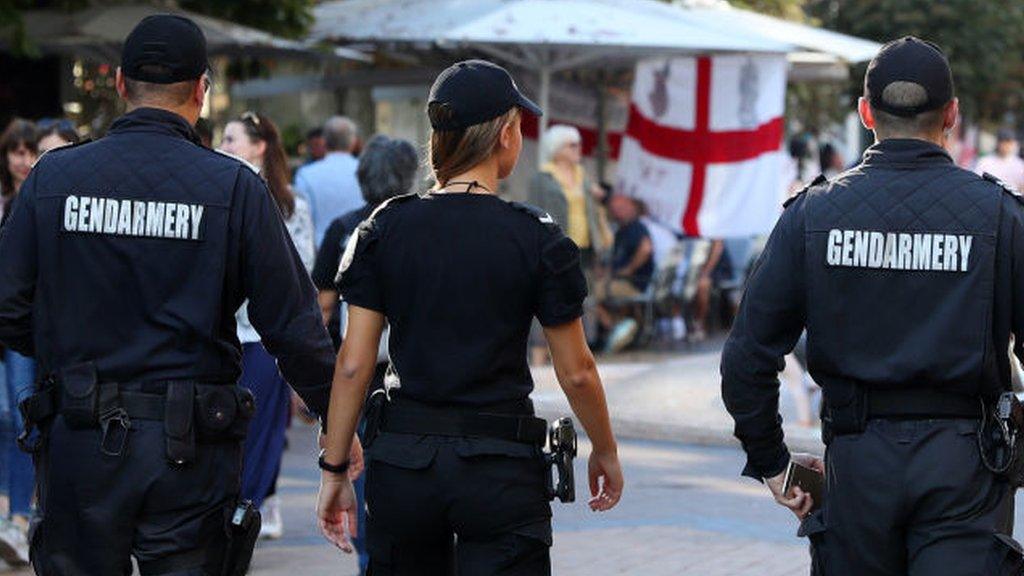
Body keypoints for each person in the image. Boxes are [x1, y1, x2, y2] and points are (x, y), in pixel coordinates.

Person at [0, 15, 344, 574]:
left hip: (80, 438)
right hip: (189, 449)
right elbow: (291, 324)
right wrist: (337, 419)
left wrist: (66, 353)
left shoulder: (53, 179)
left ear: (118, 84)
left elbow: (8, 307)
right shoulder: (234, 188)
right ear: (202, 92)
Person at [721, 37, 1024, 575]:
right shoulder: (999, 217)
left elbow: (747, 356)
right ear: (951, 115)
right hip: (965, 466)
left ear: (865, 113)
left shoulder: (812, 215)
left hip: (856, 464)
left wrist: (773, 463)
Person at [316, 59, 624, 574]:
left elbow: (352, 364)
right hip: (499, 468)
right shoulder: (536, 238)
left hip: (404, 463)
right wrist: (606, 451)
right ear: (506, 135)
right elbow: (577, 371)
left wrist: (334, 469)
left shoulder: (384, 227)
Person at [310, 134, 418, 575]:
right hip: (410, 375)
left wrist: (315, 382)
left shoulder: (344, 229)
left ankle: (370, 560)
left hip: (352, 374)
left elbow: (322, 306)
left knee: (357, 472)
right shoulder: (417, 225)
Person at [218, 110, 316, 540]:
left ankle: (248, 510)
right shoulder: (216, 193)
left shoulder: (292, 204)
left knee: (258, 431)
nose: (224, 148)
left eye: (231, 140)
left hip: (264, 337)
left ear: (259, 147)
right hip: (222, 335)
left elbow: (304, 271)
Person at [0, 118, 37, 566]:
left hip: (29, 328)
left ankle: (22, 518)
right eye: (16, 151)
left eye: (30, 151)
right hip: (8, 326)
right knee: (11, 420)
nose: (24, 160)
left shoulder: (41, 198)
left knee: (21, 418)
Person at [593, 194, 654, 352]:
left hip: (632, 282)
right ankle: (620, 327)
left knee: (586, 295)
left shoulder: (636, 227)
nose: (616, 213)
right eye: (614, 209)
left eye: (621, 208)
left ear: (631, 208)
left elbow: (646, 249)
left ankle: (616, 328)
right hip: (620, 281)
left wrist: (629, 269)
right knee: (589, 291)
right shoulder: (621, 230)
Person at [294, 116, 362, 247]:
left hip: (322, 251)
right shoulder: (366, 170)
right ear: (353, 142)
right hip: (362, 250)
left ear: (324, 142)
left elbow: (303, 222)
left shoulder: (306, 175)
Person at [975, 127, 1024, 192]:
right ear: (998, 143)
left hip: (1011, 200)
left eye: (1009, 142)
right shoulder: (984, 161)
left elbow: (1022, 188)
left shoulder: (1019, 164)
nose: (1006, 146)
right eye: (1003, 142)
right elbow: (977, 182)